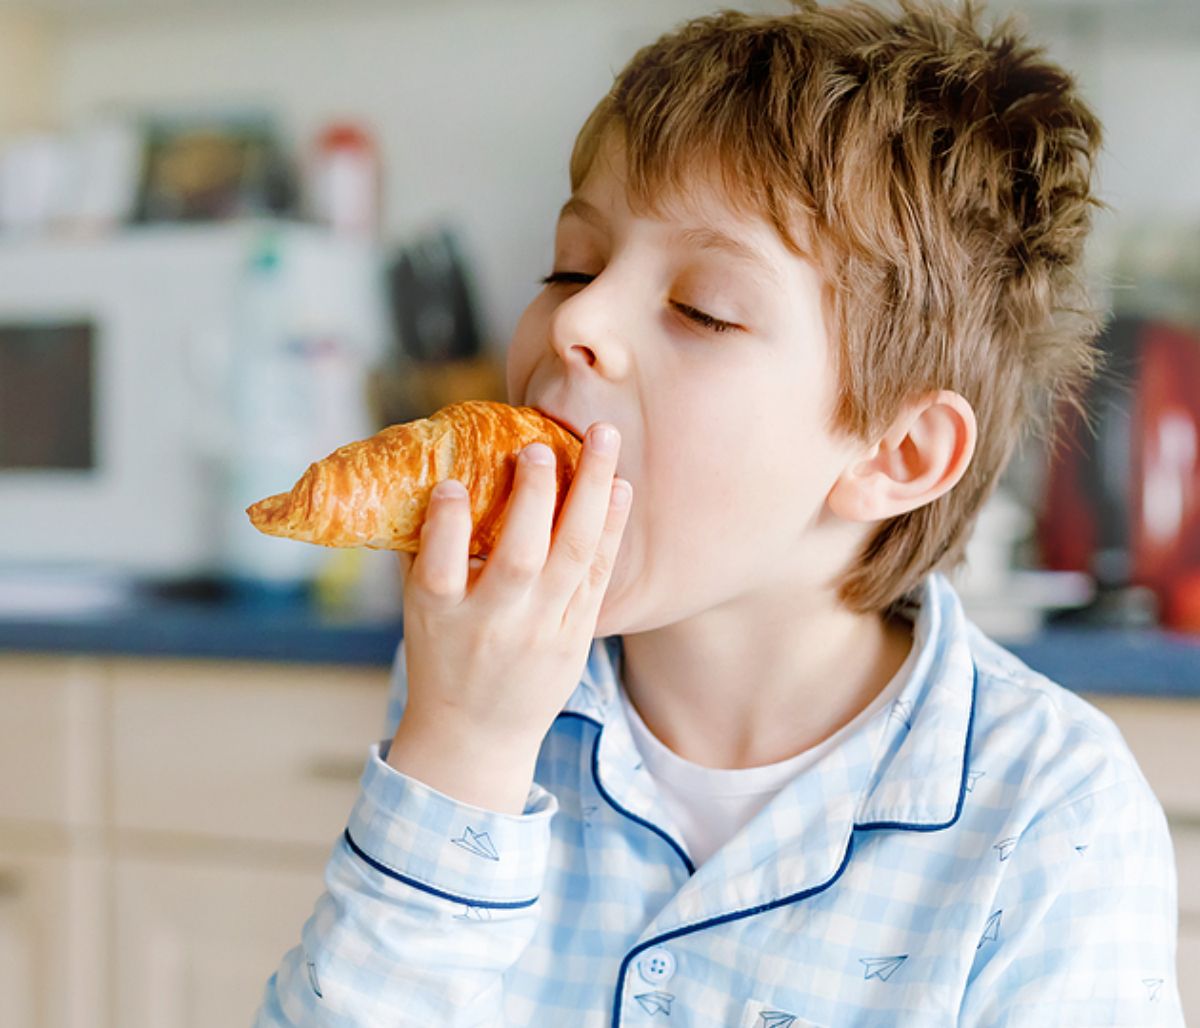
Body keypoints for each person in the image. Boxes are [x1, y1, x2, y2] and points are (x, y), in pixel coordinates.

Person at [255, 1, 1182, 1023]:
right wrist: (459, 753)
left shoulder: (1050, 812)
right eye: (572, 265)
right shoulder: (479, 686)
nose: (577, 318)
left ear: (897, 453)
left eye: (701, 307)